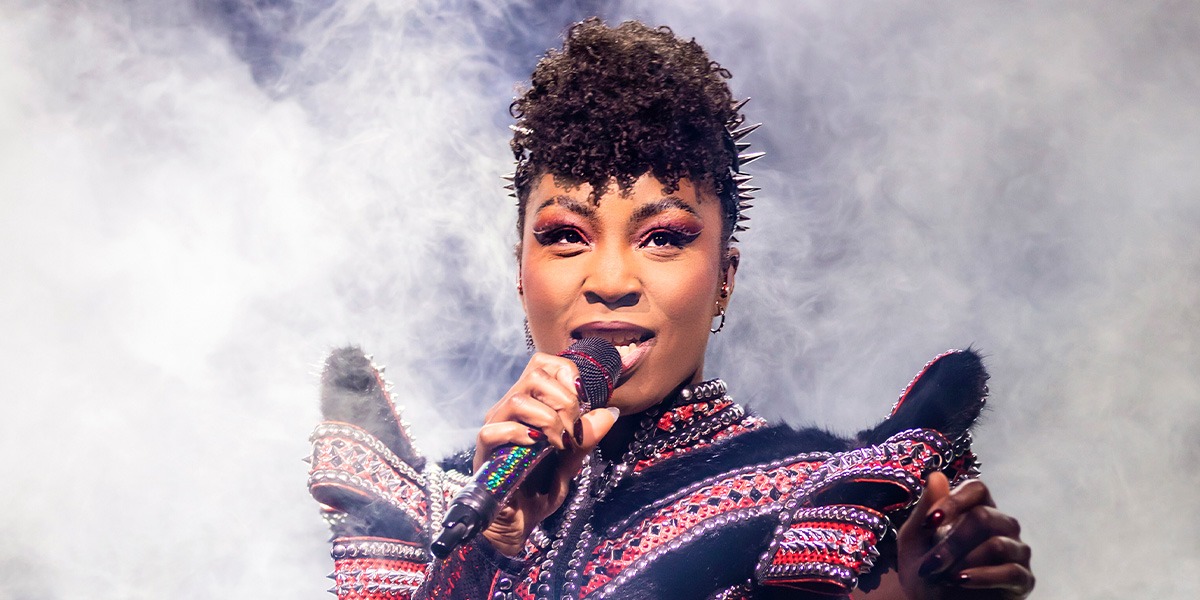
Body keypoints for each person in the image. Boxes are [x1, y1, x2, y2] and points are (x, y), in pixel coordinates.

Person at [306, 18, 1034, 600]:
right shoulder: (441, 513)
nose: (612, 278)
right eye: (566, 237)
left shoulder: (818, 496)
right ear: (522, 273)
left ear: (723, 277)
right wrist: (488, 546)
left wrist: (911, 593)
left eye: (662, 238)